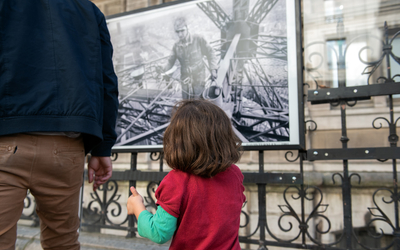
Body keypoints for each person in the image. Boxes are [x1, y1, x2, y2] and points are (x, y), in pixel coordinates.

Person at [0, 0, 119, 249]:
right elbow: (107, 81)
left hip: (7, 137)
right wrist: (102, 147)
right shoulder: (88, 11)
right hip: (66, 145)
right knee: (63, 242)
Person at [127, 99, 246, 249]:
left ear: (177, 140)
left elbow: (158, 233)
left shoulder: (176, 182)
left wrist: (137, 207)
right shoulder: (234, 174)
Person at [160, 17, 219, 99]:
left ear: (187, 28)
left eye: (182, 30)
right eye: (177, 32)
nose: (180, 34)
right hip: (185, 78)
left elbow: (210, 53)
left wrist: (213, 69)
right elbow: (170, 61)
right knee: (186, 102)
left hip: (198, 76)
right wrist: (164, 71)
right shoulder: (176, 46)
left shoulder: (198, 39)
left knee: (199, 100)